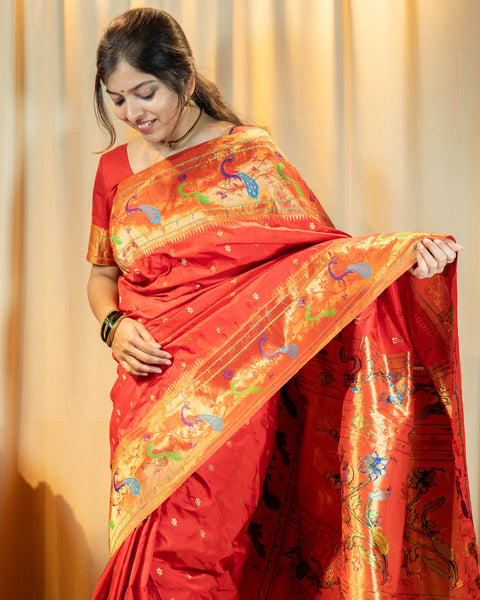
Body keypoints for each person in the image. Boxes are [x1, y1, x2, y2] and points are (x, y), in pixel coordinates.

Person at [86, 7, 479, 600]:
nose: (133, 113)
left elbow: (315, 262)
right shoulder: (114, 171)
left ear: (184, 81)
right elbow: (101, 276)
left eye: (146, 92)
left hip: (234, 388)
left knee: (204, 547)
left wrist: (402, 257)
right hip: (146, 388)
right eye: (117, 100)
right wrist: (113, 325)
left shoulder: (250, 157)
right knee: (149, 549)